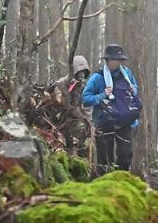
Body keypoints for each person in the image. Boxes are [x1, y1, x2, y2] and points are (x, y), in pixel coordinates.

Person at [81, 44, 140, 174]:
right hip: (104, 121)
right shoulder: (98, 77)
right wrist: (102, 95)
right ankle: (105, 185)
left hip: (125, 121)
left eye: (119, 60)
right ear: (107, 60)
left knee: (126, 154)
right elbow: (85, 98)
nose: (116, 63)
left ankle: (120, 179)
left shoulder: (126, 73)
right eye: (114, 60)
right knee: (105, 159)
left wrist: (134, 90)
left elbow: (135, 88)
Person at [55, 55, 93, 158]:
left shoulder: (85, 87)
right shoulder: (61, 83)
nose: (81, 74)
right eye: (79, 71)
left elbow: (88, 108)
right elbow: (57, 100)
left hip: (80, 124)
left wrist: (89, 123)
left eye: (84, 72)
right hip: (61, 122)